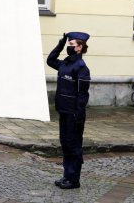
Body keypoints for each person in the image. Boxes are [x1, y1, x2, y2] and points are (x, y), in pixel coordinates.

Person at [47, 32, 91, 189]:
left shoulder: (81, 68)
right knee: (65, 144)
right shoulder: (65, 64)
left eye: (71, 45)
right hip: (63, 111)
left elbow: (83, 94)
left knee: (74, 146)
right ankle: (67, 176)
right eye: (68, 44)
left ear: (79, 48)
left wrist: (79, 113)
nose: (68, 47)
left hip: (74, 114)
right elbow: (50, 60)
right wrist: (59, 45)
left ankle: (74, 180)